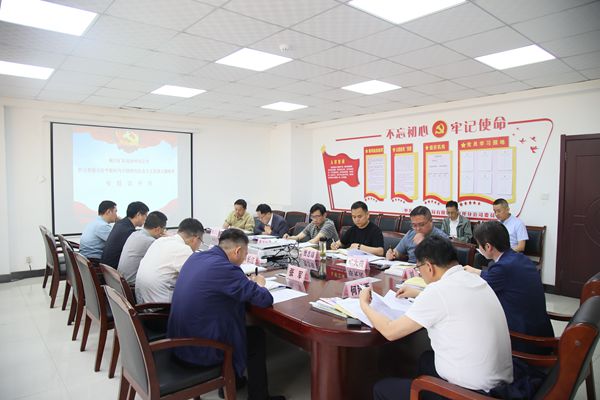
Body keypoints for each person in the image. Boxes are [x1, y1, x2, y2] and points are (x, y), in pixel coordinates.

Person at [361, 236, 513, 400]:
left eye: (419, 268)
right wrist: (419, 293)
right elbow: (453, 300)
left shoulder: (438, 291)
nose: (420, 273)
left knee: (381, 388)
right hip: (501, 385)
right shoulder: (474, 279)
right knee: (426, 359)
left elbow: (390, 331)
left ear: (429, 267)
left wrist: (364, 304)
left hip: (471, 394)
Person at [168, 229, 285, 400]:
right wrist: (260, 284)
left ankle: (233, 383)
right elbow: (264, 299)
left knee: (236, 322)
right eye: (245, 254)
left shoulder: (197, 257)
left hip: (179, 340)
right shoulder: (226, 269)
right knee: (256, 336)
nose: (244, 258)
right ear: (238, 251)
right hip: (199, 349)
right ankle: (258, 396)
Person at [464, 221, 553, 353]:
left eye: (478, 245)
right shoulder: (519, 258)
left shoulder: (501, 268)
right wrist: (477, 271)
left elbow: (481, 289)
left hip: (524, 340)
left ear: (488, 246)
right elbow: (497, 277)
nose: (479, 249)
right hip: (541, 332)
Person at [135, 218, 203, 304]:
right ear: (195, 239)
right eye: (201, 241)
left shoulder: (160, 241)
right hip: (160, 306)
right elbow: (197, 279)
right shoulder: (183, 249)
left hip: (142, 302)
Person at [117, 211, 168, 285]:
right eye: (164, 229)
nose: (164, 232)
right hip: (132, 284)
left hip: (122, 280)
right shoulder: (150, 241)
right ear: (158, 229)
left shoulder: (135, 234)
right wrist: (168, 238)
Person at [101, 201, 149, 267]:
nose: (146, 219)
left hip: (107, 268)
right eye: (145, 215)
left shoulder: (121, 224)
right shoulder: (129, 231)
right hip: (114, 269)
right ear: (138, 214)